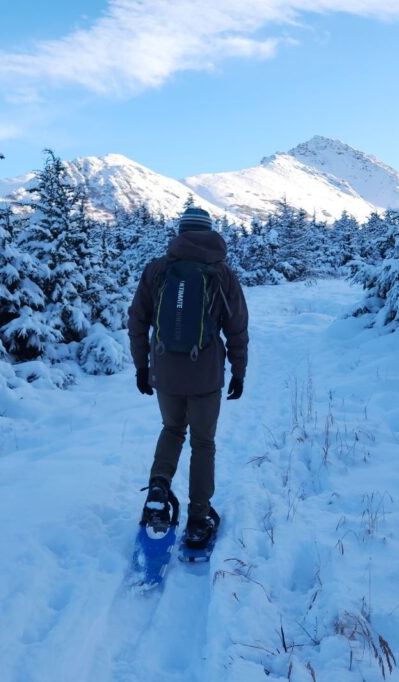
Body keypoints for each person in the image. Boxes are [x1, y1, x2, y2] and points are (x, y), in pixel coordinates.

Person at [127, 206, 249, 549]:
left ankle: (158, 489)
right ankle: (198, 517)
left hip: (165, 371)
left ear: (181, 233)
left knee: (172, 429)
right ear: (209, 232)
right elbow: (237, 327)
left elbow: (137, 320)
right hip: (205, 373)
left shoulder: (158, 269)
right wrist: (239, 371)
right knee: (202, 443)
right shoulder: (221, 273)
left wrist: (142, 366)